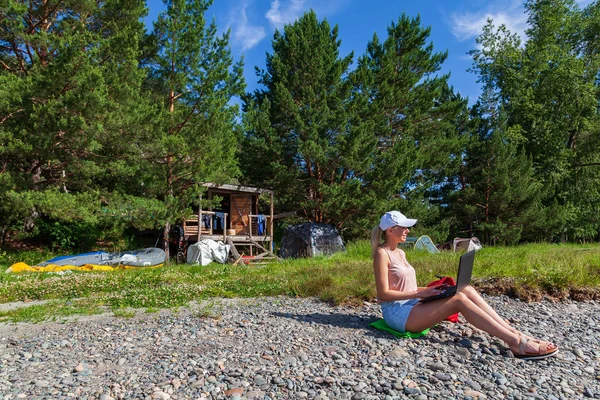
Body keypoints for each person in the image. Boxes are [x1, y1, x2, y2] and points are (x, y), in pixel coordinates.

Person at [371, 210, 559, 360]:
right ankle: (516, 342)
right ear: (390, 230)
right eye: (404, 227)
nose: (408, 230)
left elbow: (405, 287)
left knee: (465, 288)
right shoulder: (382, 254)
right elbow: (384, 294)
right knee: (459, 299)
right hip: (398, 314)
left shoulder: (401, 253)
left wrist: (430, 291)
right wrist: (421, 294)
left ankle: (512, 331)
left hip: (411, 306)